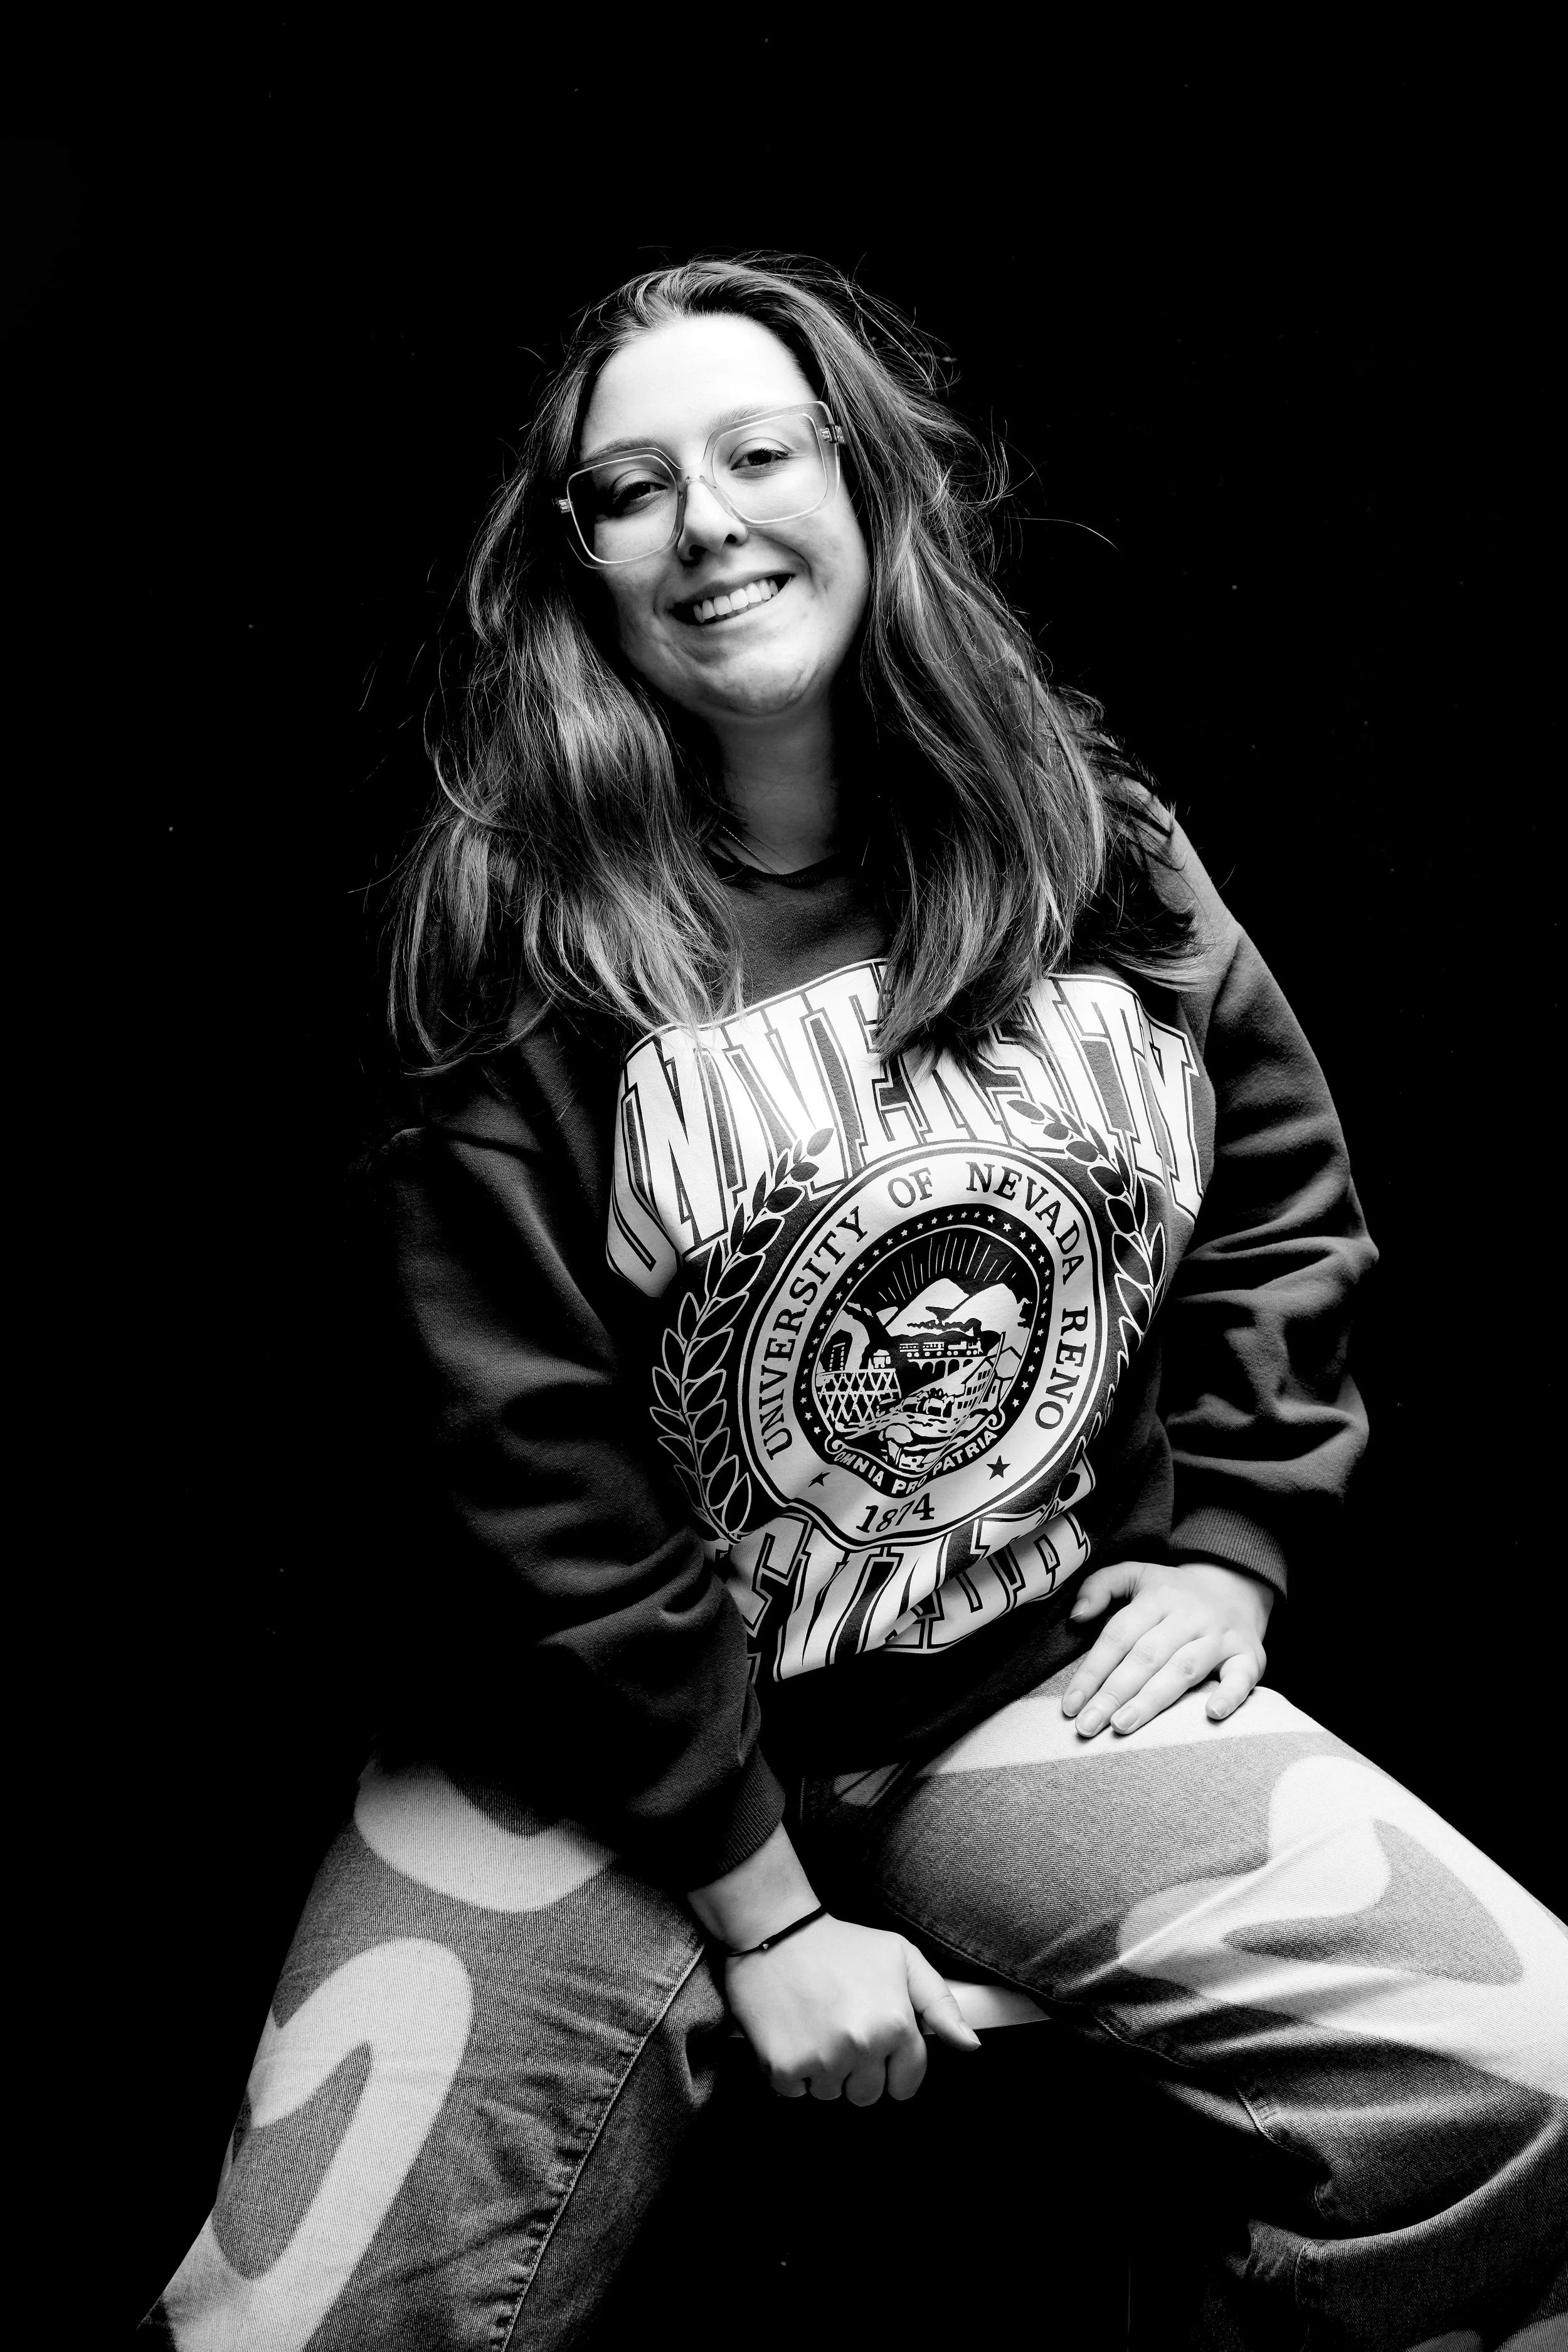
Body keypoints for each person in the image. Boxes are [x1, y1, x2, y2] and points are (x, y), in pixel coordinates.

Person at [139, 255, 1567, 2352]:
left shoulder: (1083, 846)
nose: (704, 521)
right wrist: (765, 1913)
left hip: (993, 1691)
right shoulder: (516, 938)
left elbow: (1277, 1189)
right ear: (578, 562)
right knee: (297, 2332)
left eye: (757, 452)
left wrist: (1232, 1540)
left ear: (864, 483)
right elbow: (524, 1478)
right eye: (631, 487)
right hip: (588, 1761)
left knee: (1529, 2077)